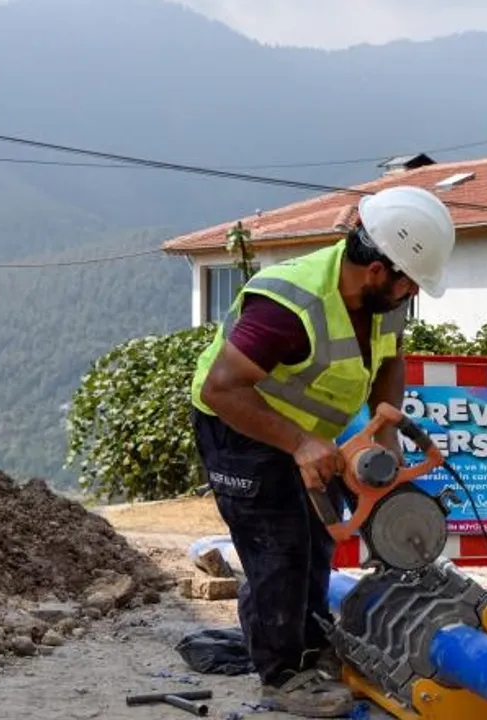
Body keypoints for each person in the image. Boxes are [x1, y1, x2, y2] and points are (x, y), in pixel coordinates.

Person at [188, 185, 456, 718]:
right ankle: (285, 675)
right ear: (377, 269)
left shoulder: (383, 300)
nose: (411, 293)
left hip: (309, 436)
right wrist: (298, 442)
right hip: (239, 423)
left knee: (317, 541)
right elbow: (223, 389)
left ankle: (308, 646)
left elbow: (391, 361)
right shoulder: (289, 305)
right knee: (279, 546)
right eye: (408, 282)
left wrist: (384, 430)